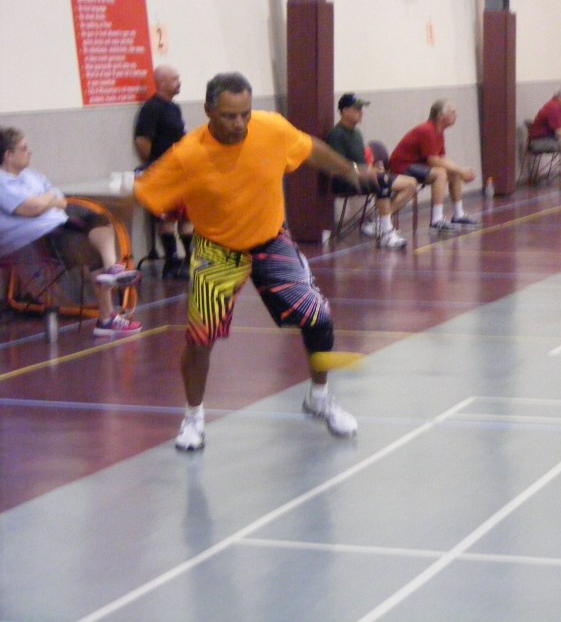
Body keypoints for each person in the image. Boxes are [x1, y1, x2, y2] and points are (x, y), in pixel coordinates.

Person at [134, 72, 374, 450]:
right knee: (201, 338)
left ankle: (319, 398)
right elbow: (144, 193)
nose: (239, 123)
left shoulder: (271, 129)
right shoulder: (187, 154)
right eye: (229, 116)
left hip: (270, 240)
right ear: (209, 111)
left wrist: (351, 170)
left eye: (245, 113)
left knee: (318, 318)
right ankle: (193, 418)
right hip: (217, 250)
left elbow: (309, 147)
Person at [0, 127, 142, 336]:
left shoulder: (32, 176)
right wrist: (48, 200)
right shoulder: (3, 182)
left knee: (99, 220)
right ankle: (106, 316)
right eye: (24, 148)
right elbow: (31, 208)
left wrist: (45, 201)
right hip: (34, 240)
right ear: (8, 155)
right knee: (88, 249)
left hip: (59, 225)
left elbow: (62, 200)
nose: (30, 152)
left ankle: (112, 271)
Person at [325, 93, 417, 250]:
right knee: (381, 182)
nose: (361, 112)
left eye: (361, 109)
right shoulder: (336, 135)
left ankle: (378, 222)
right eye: (357, 109)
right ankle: (386, 234)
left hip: (363, 176)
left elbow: (361, 161)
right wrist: (364, 171)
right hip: (345, 180)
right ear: (345, 111)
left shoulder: (356, 133)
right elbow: (337, 167)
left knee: (411, 184)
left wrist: (372, 168)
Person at [134, 65, 193, 278]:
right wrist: (156, 165)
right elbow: (142, 141)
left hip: (180, 170)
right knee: (168, 218)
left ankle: (190, 259)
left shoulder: (174, 108)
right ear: (162, 82)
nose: (179, 82)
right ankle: (171, 260)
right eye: (175, 79)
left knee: (186, 217)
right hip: (163, 172)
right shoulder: (152, 108)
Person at [389, 99, 479, 232]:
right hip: (402, 166)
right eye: (452, 112)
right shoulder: (427, 130)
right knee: (440, 174)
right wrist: (461, 171)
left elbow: (442, 158)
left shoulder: (439, 132)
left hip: (416, 166)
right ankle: (437, 220)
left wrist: (459, 171)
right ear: (441, 116)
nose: (456, 115)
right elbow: (433, 161)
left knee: (453, 173)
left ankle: (458, 215)